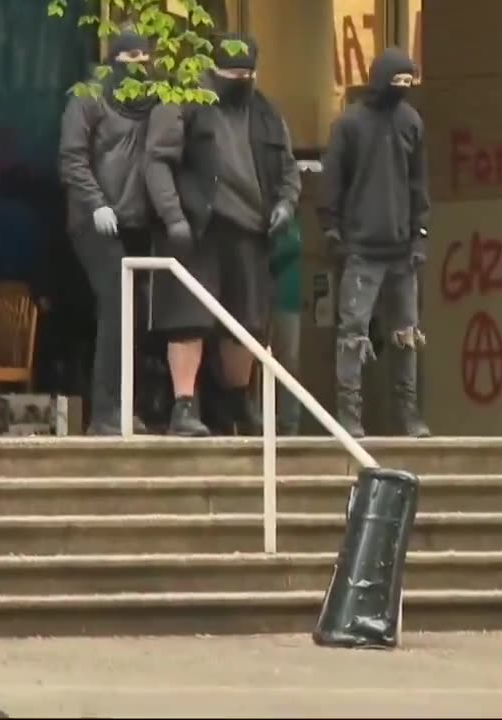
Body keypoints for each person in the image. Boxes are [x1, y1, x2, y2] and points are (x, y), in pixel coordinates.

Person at [144, 32, 301, 437]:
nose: (240, 80)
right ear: (214, 69)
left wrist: (285, 205)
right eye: (232, 72)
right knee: (187, 320)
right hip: (198, 227)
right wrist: (173, 216)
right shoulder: (185, 101)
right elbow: (157, 160)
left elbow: (287, 170)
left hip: (250, 231)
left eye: (247, 73)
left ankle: (237, 402)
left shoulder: (267, 113)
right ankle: (183, 405)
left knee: (244, 323)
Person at [319, 47, 431, 439]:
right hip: (362, 250)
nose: (403, 89)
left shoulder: (411, 122)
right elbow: (332, 179)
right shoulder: (350, 125)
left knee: (406, 336)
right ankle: (349, 415)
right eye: (397, 81)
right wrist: (332, 230)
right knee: (353, 334)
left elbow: (419, 186)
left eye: (408, 83)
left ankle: (409, 414)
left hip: (401, 251)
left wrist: (420, 236)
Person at [58, 26, 157, 435]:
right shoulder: (88, 98)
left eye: (142, 59)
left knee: (132, 315)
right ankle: (105, 411)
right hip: (95, 222)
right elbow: (72, 158)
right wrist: (96, 202)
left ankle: (123, 404)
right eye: (127, 60)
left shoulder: (156, 100)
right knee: (116, 305)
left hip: (137, 221)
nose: (136, 68)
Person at [269, 212, 304, 435]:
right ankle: (254, 424)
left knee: (289, 364)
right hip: (258, 301)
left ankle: (289, 424)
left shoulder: (292, 221)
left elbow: (292, 246)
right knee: (251, 365)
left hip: (288, 304)